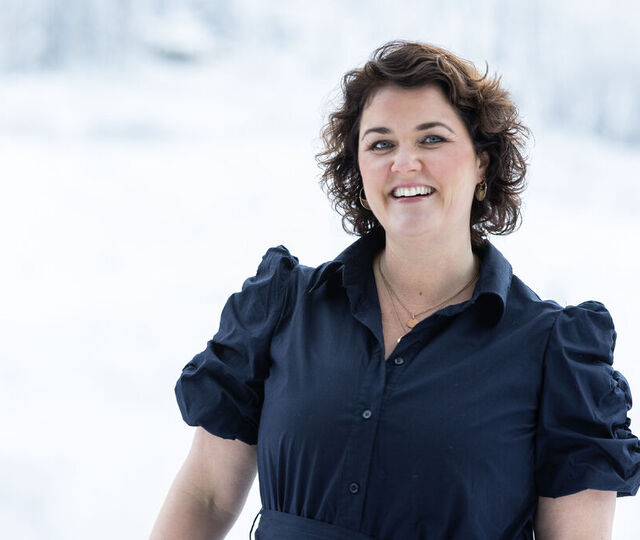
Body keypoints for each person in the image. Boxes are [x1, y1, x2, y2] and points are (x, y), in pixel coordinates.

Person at [150, 41, 640, 540]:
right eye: (381, 144)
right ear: (358, 170)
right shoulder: (284, 308)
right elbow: (206, 495)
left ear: (482, 163)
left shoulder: (553, 353)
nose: (405, 163)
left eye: (432, 139)